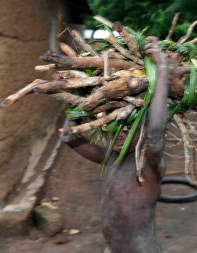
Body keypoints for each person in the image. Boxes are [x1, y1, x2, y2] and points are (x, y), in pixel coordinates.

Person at [61, 37, 168, 253]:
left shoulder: (148, 167)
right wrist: (84, 96)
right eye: (117, 127)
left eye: (129, 128)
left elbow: (156, 132)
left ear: (143, 130)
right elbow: (69, 138)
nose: (121, 134)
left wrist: (161, 71)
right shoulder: (111, 158)